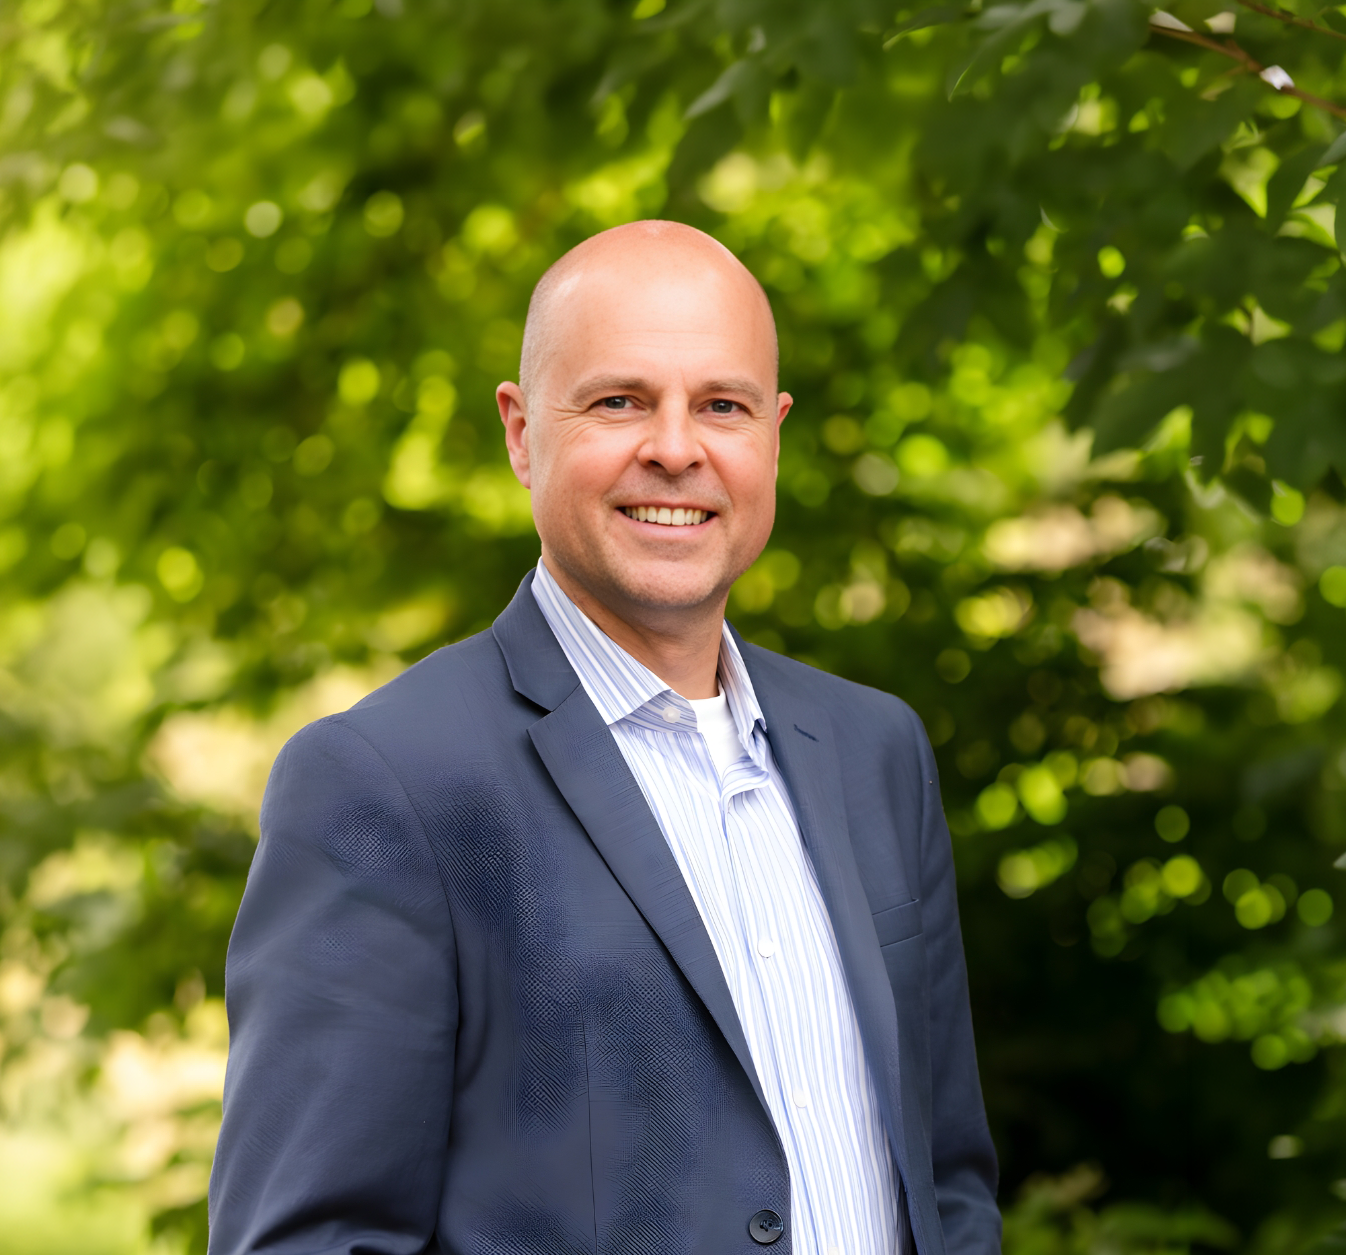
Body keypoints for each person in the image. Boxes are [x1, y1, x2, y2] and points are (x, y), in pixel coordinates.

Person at [207, 220, 1000, 1254]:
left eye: (722, 405)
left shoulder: (875, 754)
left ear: (774, 432)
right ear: (521, 431)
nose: (676, 449)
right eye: (620, 401)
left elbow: (945, 1184)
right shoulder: (385, 783)